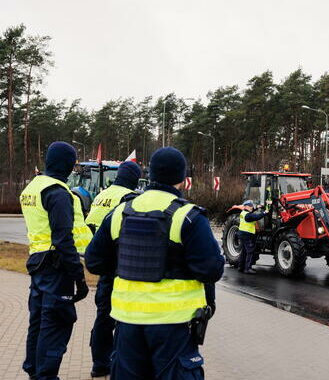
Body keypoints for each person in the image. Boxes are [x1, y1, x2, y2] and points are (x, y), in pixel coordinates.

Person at [85, 147, 224, 379]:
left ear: (150, 176)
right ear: (182, 178)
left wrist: (128, 265)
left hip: (126, 324)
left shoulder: (120, 212)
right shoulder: (188, 216)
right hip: (173, 327)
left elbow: (94, 261)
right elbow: (211, 270)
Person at [20, 141, 93, 380]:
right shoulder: (59, 193)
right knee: (57, 323)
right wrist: (79, 278)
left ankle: (34, 371)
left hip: (38, 263)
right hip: (55, 266)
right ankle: (46, 376)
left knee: (39, 322)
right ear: (67, 165)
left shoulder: (33, 187)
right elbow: (64, 241)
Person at [84, 161, 142, 378]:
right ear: (134, 179)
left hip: (101, 263)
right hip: (121, 265)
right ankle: (116, 362)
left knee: (102, 317)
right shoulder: (129, 199)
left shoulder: (102, 195)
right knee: (121, 319)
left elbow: (88, 225)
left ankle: (99, 364)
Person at [238, 200, 266, 274]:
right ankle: (247, 268)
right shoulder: (248, 215)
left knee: (244, 251)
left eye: (252, 206)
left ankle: (241, 267)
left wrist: (257, 207)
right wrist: (265, 212)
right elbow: (257, 216)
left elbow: (252, 211)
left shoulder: (243, 213)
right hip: (247, 235)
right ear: (245, 206)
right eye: (250, 206)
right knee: (250, 251)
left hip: (242, 234)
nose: (251, 207)